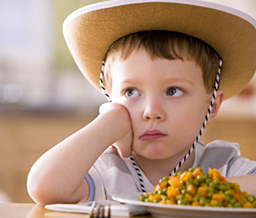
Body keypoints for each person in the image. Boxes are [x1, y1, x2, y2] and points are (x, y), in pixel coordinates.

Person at [27, 0, 256, 205]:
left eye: (173, 91)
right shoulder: (108, 171)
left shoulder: (222, 165)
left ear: (213, 105)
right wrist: (109, 122)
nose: (151, 112)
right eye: (131, 92)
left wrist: (197, 191)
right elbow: (43, 187)